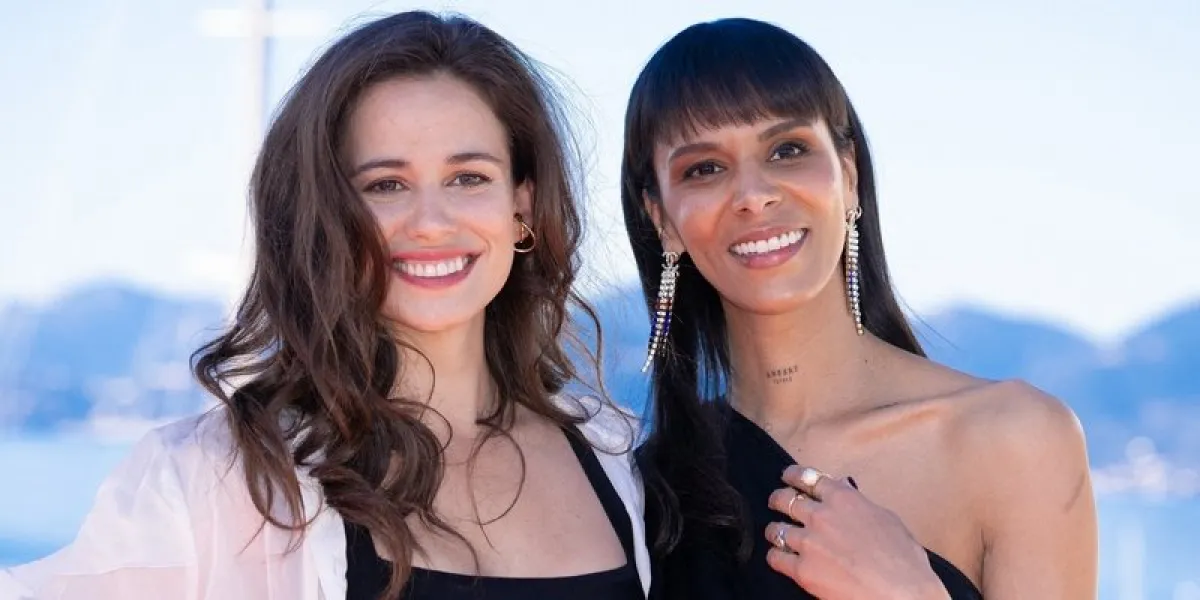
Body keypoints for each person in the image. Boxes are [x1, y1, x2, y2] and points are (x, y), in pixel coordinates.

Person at [1, 11, 649, 600]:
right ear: (326, 215)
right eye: (386, 184)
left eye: (468, 177)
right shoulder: (213, 481)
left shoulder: (615, 461)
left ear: (521, 205)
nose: (431, 221)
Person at [621, 17, 1097, 600]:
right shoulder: (650, 495)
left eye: (787, 150)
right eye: (705, 169)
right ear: (662, 220)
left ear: (848, 176)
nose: (754, 196)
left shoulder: (1017, 441)